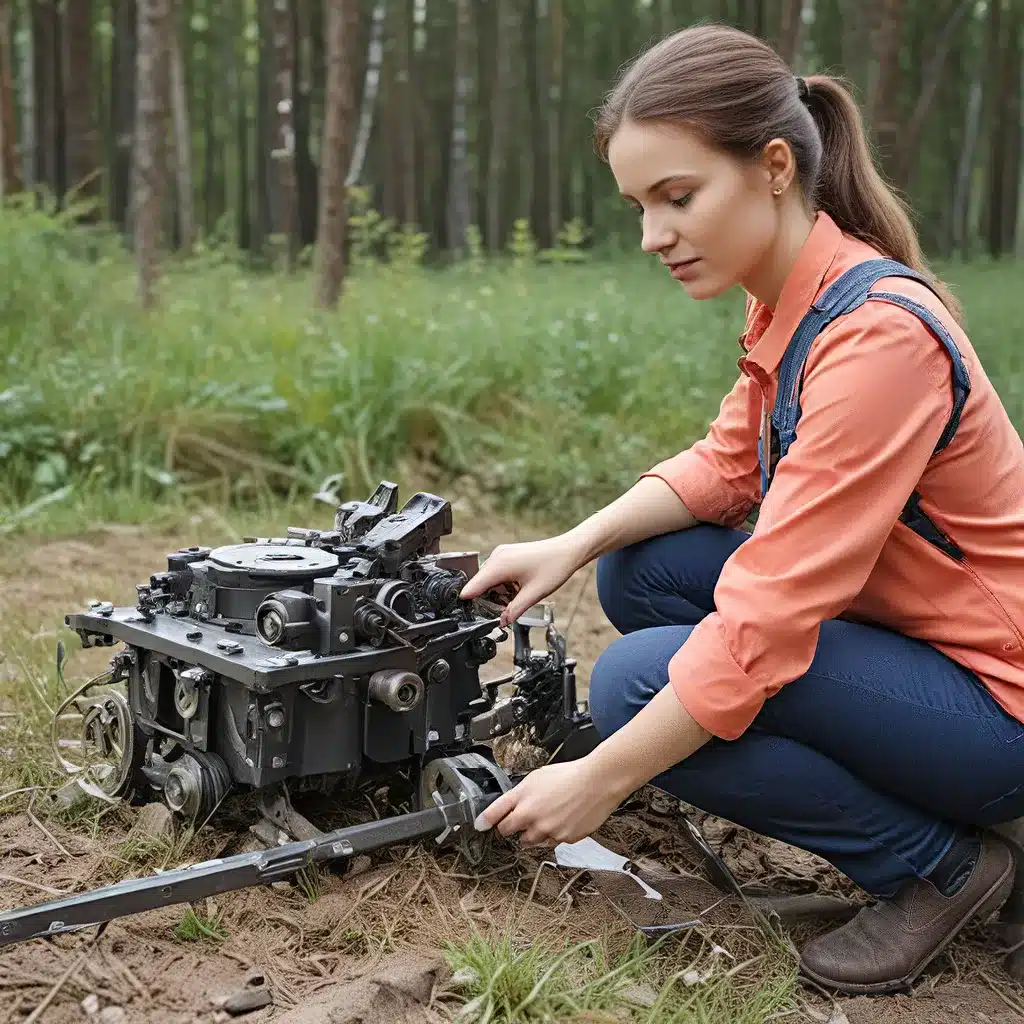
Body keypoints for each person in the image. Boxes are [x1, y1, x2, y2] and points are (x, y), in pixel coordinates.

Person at [458, 22, 1024, 997]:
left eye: (677, 198)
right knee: (639, 570)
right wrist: (569, 539)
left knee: (637, 687)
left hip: (999, 691)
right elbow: (728, 465)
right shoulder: (792, 297)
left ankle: (942, 865)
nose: (652, 236)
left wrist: (606, 775)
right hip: (929, 636)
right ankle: (896, 794)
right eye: (639, 206)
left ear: (771, 167)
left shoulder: (877, 338)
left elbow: (768, 614)